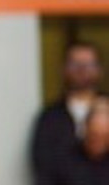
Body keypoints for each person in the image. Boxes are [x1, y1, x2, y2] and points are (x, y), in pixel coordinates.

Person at [31, 41, 104, 177]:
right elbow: (42, 164)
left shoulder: (106, 108)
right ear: (64, 69)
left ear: (100, 69)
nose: (82, 70)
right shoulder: (50, 117)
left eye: (89, 64)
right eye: (75, 64)